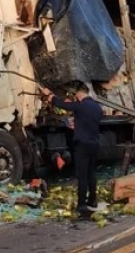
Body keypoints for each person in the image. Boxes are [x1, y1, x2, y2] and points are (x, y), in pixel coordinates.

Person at [41, 83, 103, 216]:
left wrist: (50, 96)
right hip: (94, 144)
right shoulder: (97, 108)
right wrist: (78, 127)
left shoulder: (80, 106)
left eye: (76, 96)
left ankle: (81, 204)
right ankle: (93, 200)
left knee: (82, 175)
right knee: (91, 173)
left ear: (79, 94)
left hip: (82, 145)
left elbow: (64, 106)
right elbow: (89, 124)